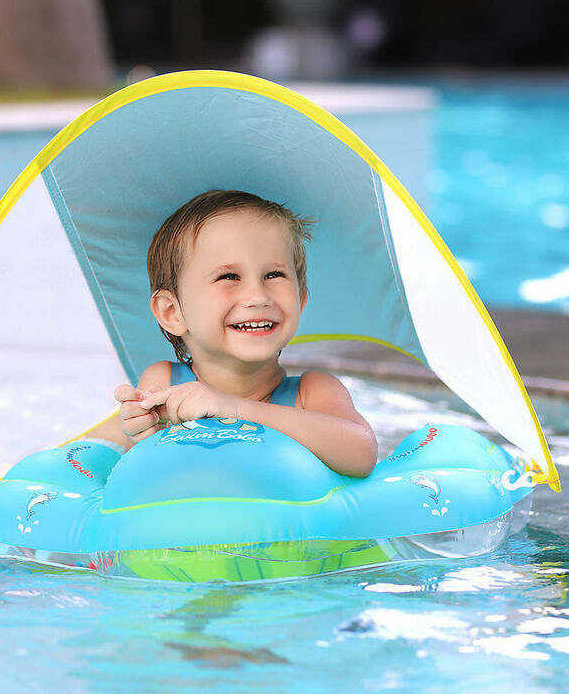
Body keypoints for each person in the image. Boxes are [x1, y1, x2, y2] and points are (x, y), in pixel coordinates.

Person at [89, 189, 377, 478]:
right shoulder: (164, 383)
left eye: (274, 275)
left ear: (300, 299)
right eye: (229, 277)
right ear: (172, 313)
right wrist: (140, 431)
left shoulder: (313, 392)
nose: (257, 296)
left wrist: (233, 409)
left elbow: (361, 453)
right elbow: (146, 475)